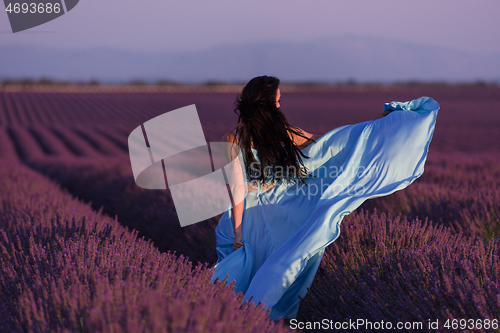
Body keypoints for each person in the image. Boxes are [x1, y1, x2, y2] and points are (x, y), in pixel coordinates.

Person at [211, 75, 439, 321]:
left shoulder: (232, 139)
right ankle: (266, 318)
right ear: (265, 103)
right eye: (276, 101)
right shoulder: (286, 133)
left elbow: (237, 190)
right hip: (283, 215)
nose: (278, 106)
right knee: (281, 267)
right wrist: (374, 130)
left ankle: (231, 319)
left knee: (241, 275)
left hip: (249, 217)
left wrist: (237, 234)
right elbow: (333, 146)